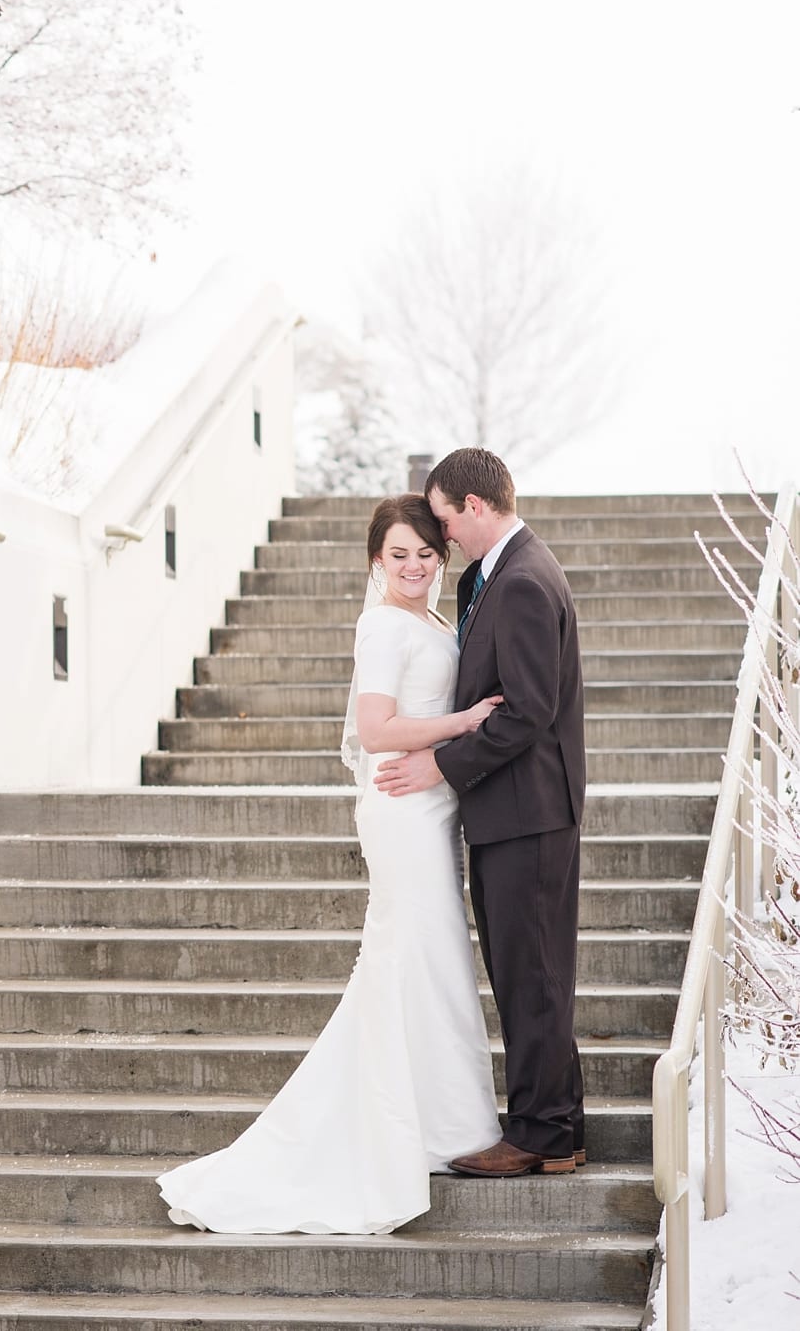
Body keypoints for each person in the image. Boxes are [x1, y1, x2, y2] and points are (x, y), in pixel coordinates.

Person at [157, 493, 504, 1234]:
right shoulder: (381, 625)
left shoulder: (430, 619)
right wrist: (464, 724)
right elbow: (376, 729)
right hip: (403, 808)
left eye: (425, 554)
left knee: (432, 958)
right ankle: (396, 1132)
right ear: (376, 561)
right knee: (409, 955)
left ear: (440, 559)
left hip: (430, 805)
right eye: (398, 554)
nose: (413, 566)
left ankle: (441, 1123)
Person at [376, 448, 588, 1176]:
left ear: (473, 506)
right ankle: (559, 1126)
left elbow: (527, 711)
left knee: (530, 975)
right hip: (514, 812)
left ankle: (540, 1134)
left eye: (443, 520)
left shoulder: (524, 580)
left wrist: (439, 762)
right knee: (532, 972)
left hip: (527, 814)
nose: (441, 540)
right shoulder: (495, 575)